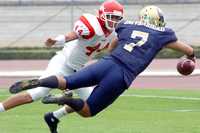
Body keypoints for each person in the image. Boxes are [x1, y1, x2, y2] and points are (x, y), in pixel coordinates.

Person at [9, 4, 196, 130]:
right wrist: (190, 58)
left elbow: (113, 45)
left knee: (66, 83)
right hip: (120, 74)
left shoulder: (127, 26)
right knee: (88, 109)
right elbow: (188, 49)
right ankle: (63, 98)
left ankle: (50, 103)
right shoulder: (164, 34)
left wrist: (111, 55)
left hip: (105, 63)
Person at [0, 0, 124, 133]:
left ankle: (53, 116)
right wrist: (58, 40)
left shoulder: (112, 33)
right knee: (36, 94)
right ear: (102, 14)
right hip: (63, 63)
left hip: (78, 69)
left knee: (91, 103)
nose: (114, 21)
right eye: (111, 17)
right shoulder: (92, 24)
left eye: (117, 18)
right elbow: (73, 35)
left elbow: (109, 47)